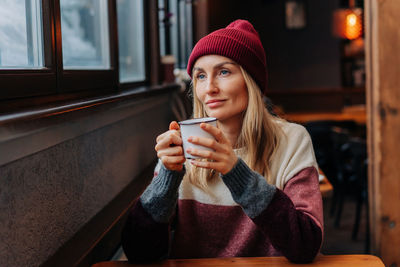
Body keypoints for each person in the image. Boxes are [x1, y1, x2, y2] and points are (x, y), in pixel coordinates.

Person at [122, 19, 323, 263]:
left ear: (251, 81)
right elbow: (139, 253)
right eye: (200, 76)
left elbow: (306, 246)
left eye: (224, 72)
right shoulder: (184, 143)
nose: (210, 88)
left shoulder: (292, 140)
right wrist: (167, 176)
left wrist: (236, 171)